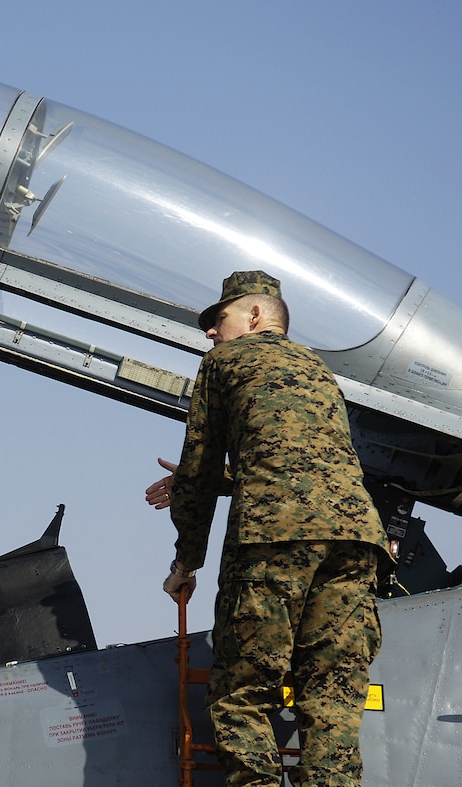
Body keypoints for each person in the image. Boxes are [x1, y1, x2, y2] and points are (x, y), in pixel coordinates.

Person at [145, 270, 392, 786]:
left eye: (219, 319)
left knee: (241, 694)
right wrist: (228, 480)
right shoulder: (317, 369)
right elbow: (304, 460)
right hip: (357, 537)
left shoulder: (224, 361)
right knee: (332, 697)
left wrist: (185, 561)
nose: (211, 333)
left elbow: (200, 468)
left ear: (254, 316)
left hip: (271, 539)